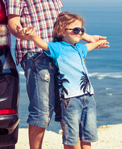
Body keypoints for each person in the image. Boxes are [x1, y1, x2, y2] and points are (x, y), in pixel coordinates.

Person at [3, 0, 106, 149]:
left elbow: (61, 21)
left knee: (67, 109)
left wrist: (85, 36)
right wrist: (22, 33)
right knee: (41, 112)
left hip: (61, 53)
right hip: (37, 54)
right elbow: (12, 22)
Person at [19, 12, 109, 149]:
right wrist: (33, 36)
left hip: (88, 97)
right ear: (62, 31)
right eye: (76, 30)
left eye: (82, 30)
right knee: (71, 137)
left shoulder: (79, 48)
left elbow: (88, 47)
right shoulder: (58, 48)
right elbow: (43, 45)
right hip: (71, 99)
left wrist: (97, 42)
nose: (80, 33)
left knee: (87, 136)